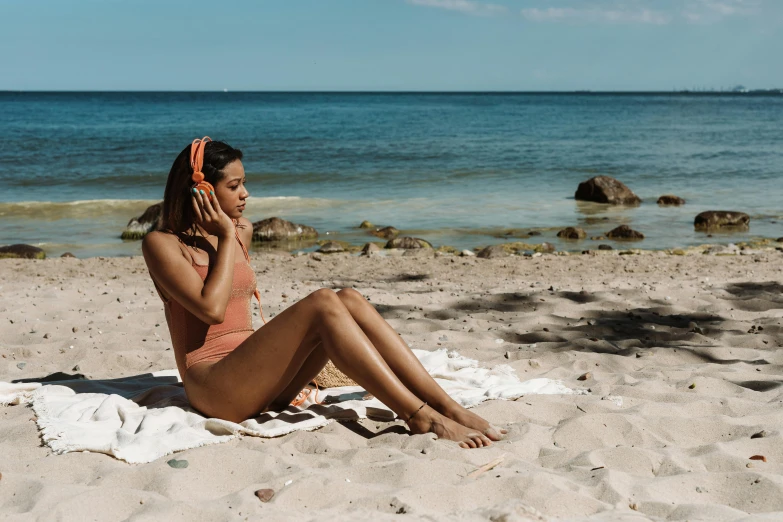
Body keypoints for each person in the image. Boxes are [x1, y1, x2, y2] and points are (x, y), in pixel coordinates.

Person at [142, 137, 506, 449]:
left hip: (261, 381)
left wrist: (227, 233)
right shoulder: (162, 244)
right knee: (321, 302)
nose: (245, 193)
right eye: (234, 185)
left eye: (244, 183)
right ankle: (419, 416)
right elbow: (211, 310)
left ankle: (447, 406)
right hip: (215, 389)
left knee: (346, 297)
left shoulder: (243, 230)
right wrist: (223, 236)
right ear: (202, 190)